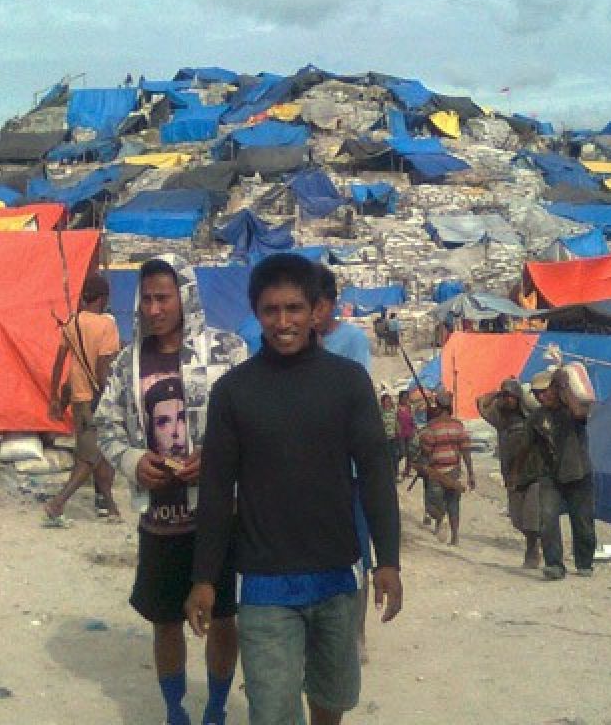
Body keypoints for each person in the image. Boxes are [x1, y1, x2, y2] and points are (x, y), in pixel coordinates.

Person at [186, 253, 402, 725]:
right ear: (256, 313)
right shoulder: (235, 391)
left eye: (294, 309)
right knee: (272, 709)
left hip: (337, 576)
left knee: (332, 696)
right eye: (271, 310)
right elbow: (218, 489)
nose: (283, 322)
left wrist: (388, 560)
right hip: (264, 582)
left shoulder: (348, 383)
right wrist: (203, 577)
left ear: (314, 312)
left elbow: (375, 473)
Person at [95, 257, 247, 725]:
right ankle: (174, 709)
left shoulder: (227, 350)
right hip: (160, 519)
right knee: (165, 619)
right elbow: (106, 426)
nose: (155, 308)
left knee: (223, 617)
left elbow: (249, 426)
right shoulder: (128, 361)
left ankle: (217, 708)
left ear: (186, 296)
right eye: (147, 298)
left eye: (164, 297)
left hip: (219, 516)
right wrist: (134, 462)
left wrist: (219, 462)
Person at [314, 265, 375, 665]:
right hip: (305, 473)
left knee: (358, 557)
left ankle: (356, 633)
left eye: (314, 305)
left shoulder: (351, 341)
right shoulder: (296, 344)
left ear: (330, 305)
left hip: (347, 473)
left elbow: (357, 402)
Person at [44, 273, 121, 523]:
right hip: (95, 400)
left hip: (77, 399)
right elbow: (102, 367)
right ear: (102, 298)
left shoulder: (72, 323)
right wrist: (110, 394)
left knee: (96, 453)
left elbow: (58, 364)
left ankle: (109, 506)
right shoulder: (107, 325)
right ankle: (59, 503)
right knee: (91, 457)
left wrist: (55, 397)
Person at [521, 364, 597, 581]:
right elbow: (527, 448)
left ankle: (584, 562)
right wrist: (519, 475)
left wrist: (565, 385)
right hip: (551, 476)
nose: (542, 397)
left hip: (579, 474)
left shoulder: (572, 412)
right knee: (547, 518)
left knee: (582, 521)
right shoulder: (537, 418)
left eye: (546, 391)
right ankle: (554, 564)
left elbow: (581, 410)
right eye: (537, 394)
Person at [476, 377, 539, 568]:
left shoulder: (530, 417)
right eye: (506, 396)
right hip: (510, 474)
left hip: (532, 473)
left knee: (531, 516)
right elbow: (480, 403)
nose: (508, 400)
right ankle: (535, 543)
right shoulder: (501, 419)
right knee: (517, 519)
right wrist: (498, 392)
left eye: (511, 396)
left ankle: (533, 549)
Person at [415, 390, 475, 546]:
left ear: (438, 406)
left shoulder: (432, 426)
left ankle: (440, 521)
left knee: (433, 504)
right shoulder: (458, 425)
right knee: (454, 503)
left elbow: (426, 450)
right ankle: (455, 536)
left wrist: (422, 466)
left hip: (437, 472)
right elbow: (466, 449)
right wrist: (470, 473)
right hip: (454, 471)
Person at [315, 266, 371, 371]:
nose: (314, 316)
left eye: (320, 308)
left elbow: (359, 382)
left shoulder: (354, 338)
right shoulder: (297, 340)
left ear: (333, 304)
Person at [395, 391, 416, 480]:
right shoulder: (397, 408)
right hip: (400, 433)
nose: (405, 399)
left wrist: (414, 428)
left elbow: (412, 419)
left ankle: (407, 471)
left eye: (406, 397)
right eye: (404, 398)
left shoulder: (409, 407)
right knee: (401, 452)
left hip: (409, 432)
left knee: (410, 453)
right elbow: (395, 420)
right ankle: (395, 468)